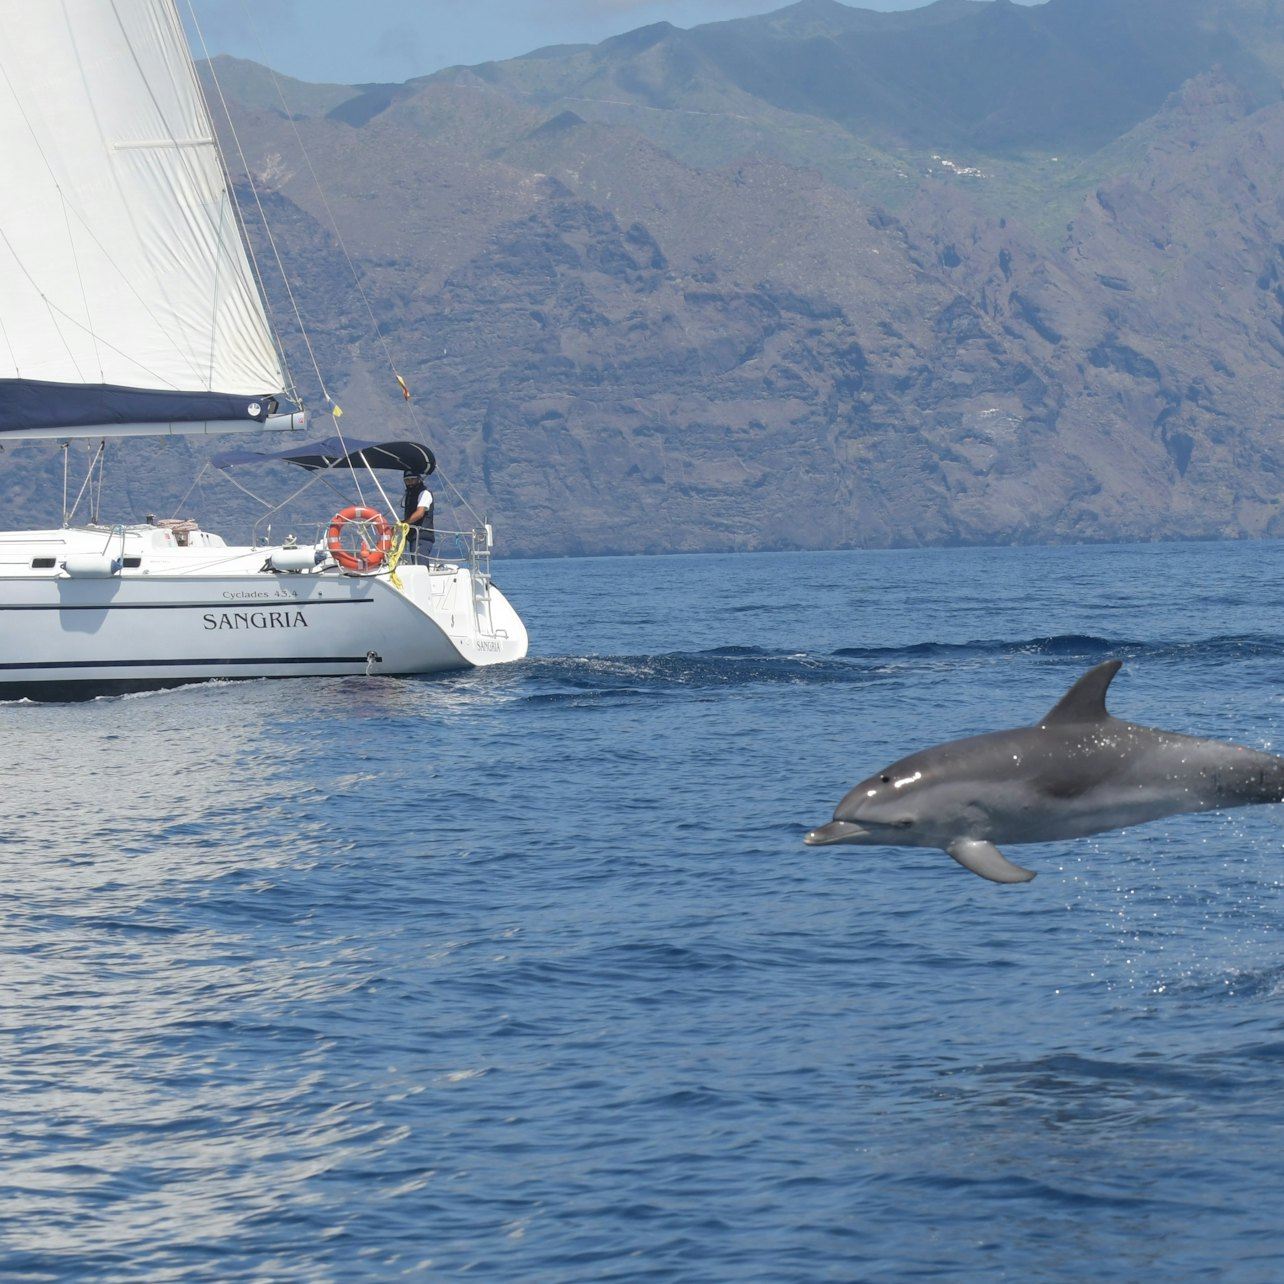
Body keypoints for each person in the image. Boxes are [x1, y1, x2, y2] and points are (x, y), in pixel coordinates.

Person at [402, 471, 435, 565]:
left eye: (413, 479)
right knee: (415, 563)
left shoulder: (425, 493)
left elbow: (420, 513)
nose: (410, 482)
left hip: (422, 537)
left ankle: (424, 578)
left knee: (420, 565)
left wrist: (404, 523)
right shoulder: (409, 495)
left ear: (419, 479)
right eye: (407, 480)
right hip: (413, 537)